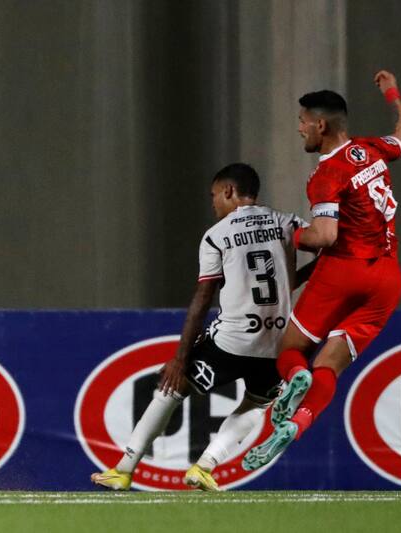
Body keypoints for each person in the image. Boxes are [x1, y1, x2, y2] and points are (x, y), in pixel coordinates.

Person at [91, 163, 311, 491]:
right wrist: (296, 280)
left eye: (213, 196)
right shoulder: (288, 222)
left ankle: (124, 469)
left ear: (228, 192)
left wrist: (180, 358)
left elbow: (203, 298)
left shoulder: (217, 235)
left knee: (171, 388)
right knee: (258, 403)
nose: (213, 204)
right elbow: (331, 246)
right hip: (278, 342)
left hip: (231, 341)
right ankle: (206, 466)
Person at [243, 70, 401, 471]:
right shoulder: (371, 149)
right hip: (387, 279)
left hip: (344, 272)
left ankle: (294, 379)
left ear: (321, 125)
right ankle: (297, 425)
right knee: (330, 366)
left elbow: (323, 235)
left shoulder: (327, 174)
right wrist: (393, 93)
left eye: (303, 122)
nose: (299, 129)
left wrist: (284, 233)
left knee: (289, 351)